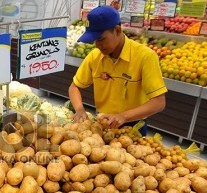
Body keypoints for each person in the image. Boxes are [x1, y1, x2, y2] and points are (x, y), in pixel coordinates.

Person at [68, 5, 167, 135]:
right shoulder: (95, 56)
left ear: (117, 30)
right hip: (102, 125)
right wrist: (79, 109)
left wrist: (123, 116)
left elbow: (159, 102)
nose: (97, 45)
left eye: (101, 39)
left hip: (133, 127)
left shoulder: (145, 56)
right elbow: (74, 87)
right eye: (94, 40)